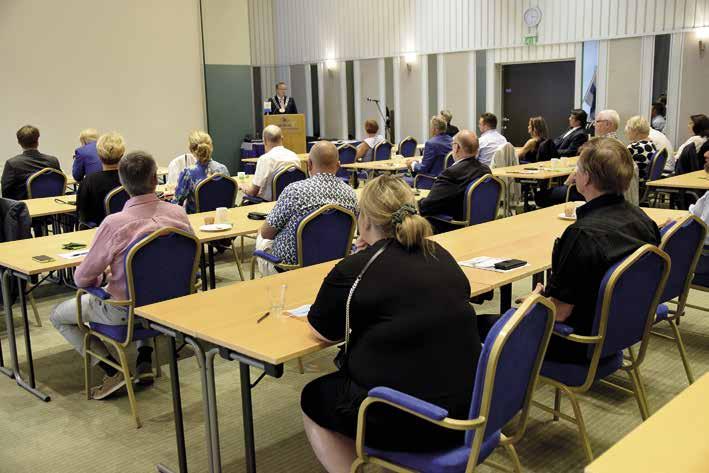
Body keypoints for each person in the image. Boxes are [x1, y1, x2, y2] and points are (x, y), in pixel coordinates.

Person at [301, 174, 481, 472]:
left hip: (408, 420)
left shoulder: (355, 270)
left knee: (314, 396)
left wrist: (358, 258)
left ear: (365, 220)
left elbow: (322, 331)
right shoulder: (440, 253)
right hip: (470, 407)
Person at [50, 151, 192, 399]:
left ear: (122, 183)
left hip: (124, 311)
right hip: (170, 305)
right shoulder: (178, 214)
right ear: (155, 179)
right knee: (147, 282)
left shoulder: (114, 224)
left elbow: (81, 279)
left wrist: (103, 278)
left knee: (58, 316)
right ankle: (144, 359)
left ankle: (113, 371)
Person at [523, 138, 660, 363]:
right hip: (621, 333)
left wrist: (534, 301)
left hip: (578, 342)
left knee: (481, 325)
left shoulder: (582, 235)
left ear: (585, 178)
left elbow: (559, 313)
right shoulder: (645, 221)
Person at [254, 141, 358, 276]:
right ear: (338, 165)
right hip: (334, 264)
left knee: (261, 237)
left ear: (309, 164)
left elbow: (266, 233)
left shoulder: (294, 191)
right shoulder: (351, 195)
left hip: (290, 267)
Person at [418, 130, 491, 234]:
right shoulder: (486, 170)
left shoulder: (451, 174)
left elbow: (426, 207)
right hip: (482, 227)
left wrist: (415, 203)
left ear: (456, 147)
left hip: (451, 227)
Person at [172, 131, 229, 213]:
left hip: (197, 218)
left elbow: (177, 202)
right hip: (221, 217)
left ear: (191, 150)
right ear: (211, 147)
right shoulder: (223, 169)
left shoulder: (188, 173)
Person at [239, 124, 299, 201]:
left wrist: (243, 187)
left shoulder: (265, 159)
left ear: (264, 141)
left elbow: (253, 192)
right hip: (291, 201)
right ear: (282, 138)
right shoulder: (294, 157)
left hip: (269, 203)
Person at [76, 132, 125, 226]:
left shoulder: (89, 181)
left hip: (99, 230)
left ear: (98, 154)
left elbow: (82, 215)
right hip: (128, 229)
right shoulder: (131, 180)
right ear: (122, 155)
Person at [1, 125, 60, 201]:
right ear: (37, 141)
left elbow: (5, 192)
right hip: (53, 205)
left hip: (25, 207)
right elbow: (59, 185)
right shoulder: (53, 161)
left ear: (19, 142)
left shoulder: (12, 164)